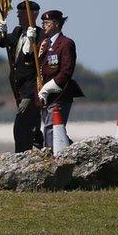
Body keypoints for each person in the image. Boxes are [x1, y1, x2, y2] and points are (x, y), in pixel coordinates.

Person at [0, 0, 44, 152]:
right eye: (18, 14)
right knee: (31, 124)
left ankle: (20, 155)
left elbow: (34, 58)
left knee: (21, 123)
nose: (19, 16)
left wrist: (33, 43)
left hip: (32, 88)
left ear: (34, 14)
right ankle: (38, 145)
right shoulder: (18, 31)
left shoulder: (41, 35)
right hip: (18, 87)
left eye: (22, 13)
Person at [36, 10, 84, 147]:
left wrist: (48, 87)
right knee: (51, 128)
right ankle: (71, 151)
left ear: (56, 24)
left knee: (52, 128)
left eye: (46, 23)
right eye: (42, 23)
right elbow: (35, 66)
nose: (43, 26)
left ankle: (52, 156)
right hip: (44, 95)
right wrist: (31, 45)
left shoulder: (65, 43)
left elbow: (66, 71)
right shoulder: (43, 44)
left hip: (59, 94)